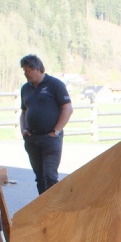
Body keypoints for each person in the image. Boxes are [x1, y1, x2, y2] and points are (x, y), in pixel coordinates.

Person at [19, 54, 73, 194]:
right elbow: (24, 112)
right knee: (39, 177)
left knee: (50, 176)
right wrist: (23, 129)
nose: (25, 74)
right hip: (32, 138)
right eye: (24, 71)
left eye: (27, 71)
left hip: (50, 138)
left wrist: (56, 131)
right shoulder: (25, 88)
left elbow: (67, 108)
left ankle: (54, 206)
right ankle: (42, 205)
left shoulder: (55, 84)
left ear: (37, 69)